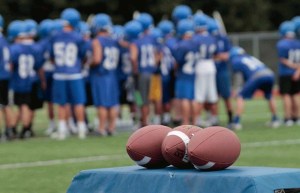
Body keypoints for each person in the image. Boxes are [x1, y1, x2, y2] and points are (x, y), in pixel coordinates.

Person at [49, 8, 87, 140]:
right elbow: (82, 55)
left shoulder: (54, 35)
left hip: (59, 73)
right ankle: (82, 129)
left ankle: (62, 130)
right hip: (75, 73)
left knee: (62, 104)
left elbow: (51, 56)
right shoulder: (78, 37)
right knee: (78, 102)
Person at [229, 46, 280, 130]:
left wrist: (236, 89)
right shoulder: (250, 57)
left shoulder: (236, 60)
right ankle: (275, 119)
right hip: (269, 73)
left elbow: (239, 77)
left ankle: (236, 122)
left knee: (240, 96)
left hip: (257, 76)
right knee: (269, 95)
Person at [9, 20, 44, 138]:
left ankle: (25, 128)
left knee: (23, 105)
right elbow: (39, 66)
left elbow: (10, 66)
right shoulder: (36, 47)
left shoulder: (14, 48)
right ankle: (18, 127)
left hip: (20, 80)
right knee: (27, 106)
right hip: (32, 79)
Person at [90, 14, 120, 136]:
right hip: (112, 75)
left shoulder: (97, 41)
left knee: (102, 103)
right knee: (112, 103)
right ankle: (111, 128)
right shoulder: (114, 40)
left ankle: (101, 128)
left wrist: (88, 63)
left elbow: (97, 59)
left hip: (101, 75)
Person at [130, 13, 160, 126]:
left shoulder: (136, 40)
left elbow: (133, 58)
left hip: (142, 73)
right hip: (152, 72)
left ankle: (144, 122)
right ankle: (155, 120)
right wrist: (154, 65)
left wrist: (135, 69)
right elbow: (158, 54)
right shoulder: (153, 38)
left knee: (142, 99)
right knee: (153, 97)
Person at [193, 13, 219, 127]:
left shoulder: (195, 38)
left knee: (199, 96)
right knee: (212, 95)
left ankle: (197, 119)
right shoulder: (212, 37)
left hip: (200, 65)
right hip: (211, 65)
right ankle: (214, 118)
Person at [208, 19, 234, 127]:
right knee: (214, 97)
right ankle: (214, 119)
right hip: (213, 72)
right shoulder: (209, 39)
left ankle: (230, 119)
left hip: (221, 71)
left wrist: (218, 56)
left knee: (226, 96)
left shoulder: (224, 38)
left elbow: (229, 54)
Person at [173, 19, 198, 125]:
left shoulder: (182, 45)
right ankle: (195, 121)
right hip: (193, 73)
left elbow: (177, 62)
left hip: (184, 74)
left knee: (185, 99)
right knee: (193, 99)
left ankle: (186, 122)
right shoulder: (196, 43)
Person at [276, 21, 300, 126]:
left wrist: (294, 67)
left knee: (286, 95)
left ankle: (288, 118)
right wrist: (298, 70)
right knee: (296, 95)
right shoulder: (298, 43)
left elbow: (283, 60)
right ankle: (298, 117)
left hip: (286, 73)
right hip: (297, 73)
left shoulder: (282, 44)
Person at [0, 15, 16, 139]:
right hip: (5, 76)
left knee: (1, 106)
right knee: (6, 105)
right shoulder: (5, 40)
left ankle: (2, 132)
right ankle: (11, 129)